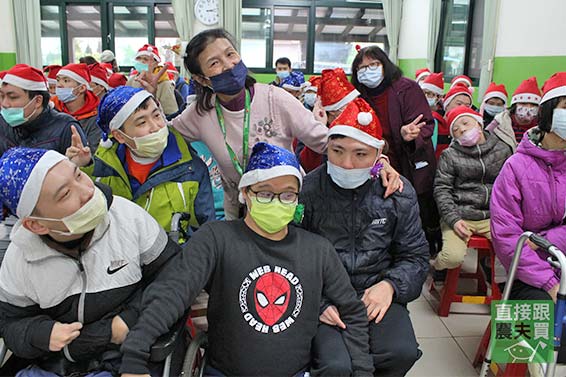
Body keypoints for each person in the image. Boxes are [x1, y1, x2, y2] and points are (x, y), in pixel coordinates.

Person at [118, 142, 374, 376]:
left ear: (297, 198)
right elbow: (173, 291)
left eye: (287, 195)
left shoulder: (317, 250)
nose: (277, 202)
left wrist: (363, 371)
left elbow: (352, 311)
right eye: (264, 193)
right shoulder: (217, 239)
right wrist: (135, 353)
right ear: (245, 192)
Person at [134, 28, 402, 219]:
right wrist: (147, 96)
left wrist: (379, 163)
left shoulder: (276, 98)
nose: (228, 65)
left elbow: (326, 141)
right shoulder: (199, 114)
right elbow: (157, 135)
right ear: (203, 79)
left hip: (286, 206)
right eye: (214, 63)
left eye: (231, 54)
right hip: (239, 212)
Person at [0, 147, 182, 376]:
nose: (87, 190)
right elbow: (9, 324)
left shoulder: (128, 218)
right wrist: (40, 333)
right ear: (36, 225)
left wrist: (128, 320)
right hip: (54, 363)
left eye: (78, 175)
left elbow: (175, 278)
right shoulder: (19, 260)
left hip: (128, 352)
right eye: (65, 194)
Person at [300, 98, 429, 376]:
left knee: (400, 352)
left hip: (375, 290)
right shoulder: (308, 191)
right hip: (324, 294)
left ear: (378, 156)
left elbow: (416, 256)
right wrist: (318, 301)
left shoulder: (396, 192)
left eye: (360, 154)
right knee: (336, 365)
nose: (346, 164)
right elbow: (292, 255)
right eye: (337, 151)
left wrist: (391, 286)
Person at [66, 86, 215, 235]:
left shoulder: (191, 169)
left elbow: (205, 230)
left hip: (175, 254)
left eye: (156, 116)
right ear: (119, 136)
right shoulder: (102, 171)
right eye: (142, 122)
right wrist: (82, 167)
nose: (155, 127)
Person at [490, 72, 566, 361]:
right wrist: (549, 282)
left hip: (561, 263)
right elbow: (508, 240)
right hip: (523, 271)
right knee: (529, 340)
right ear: (547, 114)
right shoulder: (515, 167)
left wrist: (542, 240)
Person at [351, 45, 440, 257]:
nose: (368, 70)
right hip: (376, 162)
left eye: (374, 64)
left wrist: (409, 134)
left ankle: (419, 254)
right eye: (362, 68)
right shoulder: (357, 96)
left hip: (410, 160)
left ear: (385, 65)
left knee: (415, 211)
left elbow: (425, 123)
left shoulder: (406, 88)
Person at [432, 106, 511, 271]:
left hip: (493, 216)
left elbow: (511, 187)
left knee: (515, 251)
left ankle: (504, 284)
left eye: (465, 123)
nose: (462, 129)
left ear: (479, 124)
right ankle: (434, 267)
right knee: (452, 258)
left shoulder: (503, 150)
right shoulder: (450, 155)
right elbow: (442, 190)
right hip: (461, 215)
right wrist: (453, 220)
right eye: (456, 130)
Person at [0, 64, 88, 156]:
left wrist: (80, 164)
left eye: (13, 97)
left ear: (38, 101)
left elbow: (81, 165)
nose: (4, 104)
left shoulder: (65, 128)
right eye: (1, 96)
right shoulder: (2, 123)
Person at [51, 63, 101, 154]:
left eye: (66, 81)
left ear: (81, 88)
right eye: (58, 80)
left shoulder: (96, 116)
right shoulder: (51, 110)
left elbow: (95, 152)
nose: (59, 85)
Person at [485, 76, 541, 152]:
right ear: (515, 105)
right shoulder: (499, 122)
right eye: (523, 103)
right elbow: (485, 143)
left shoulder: (542, 126)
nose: (528, 108)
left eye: (533, 105)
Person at [126, 44, 179, 116]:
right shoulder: (131, 80)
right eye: (139, 58)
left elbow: (170, 113)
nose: (141, 61)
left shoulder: (164, 83)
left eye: (145, 59)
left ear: (155, 64)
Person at [420, 72, 449, 159]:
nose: (425, 96)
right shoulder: (414, 110)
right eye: (423, 92)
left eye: (429, 94)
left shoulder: (442, 117)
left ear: (438, 97)